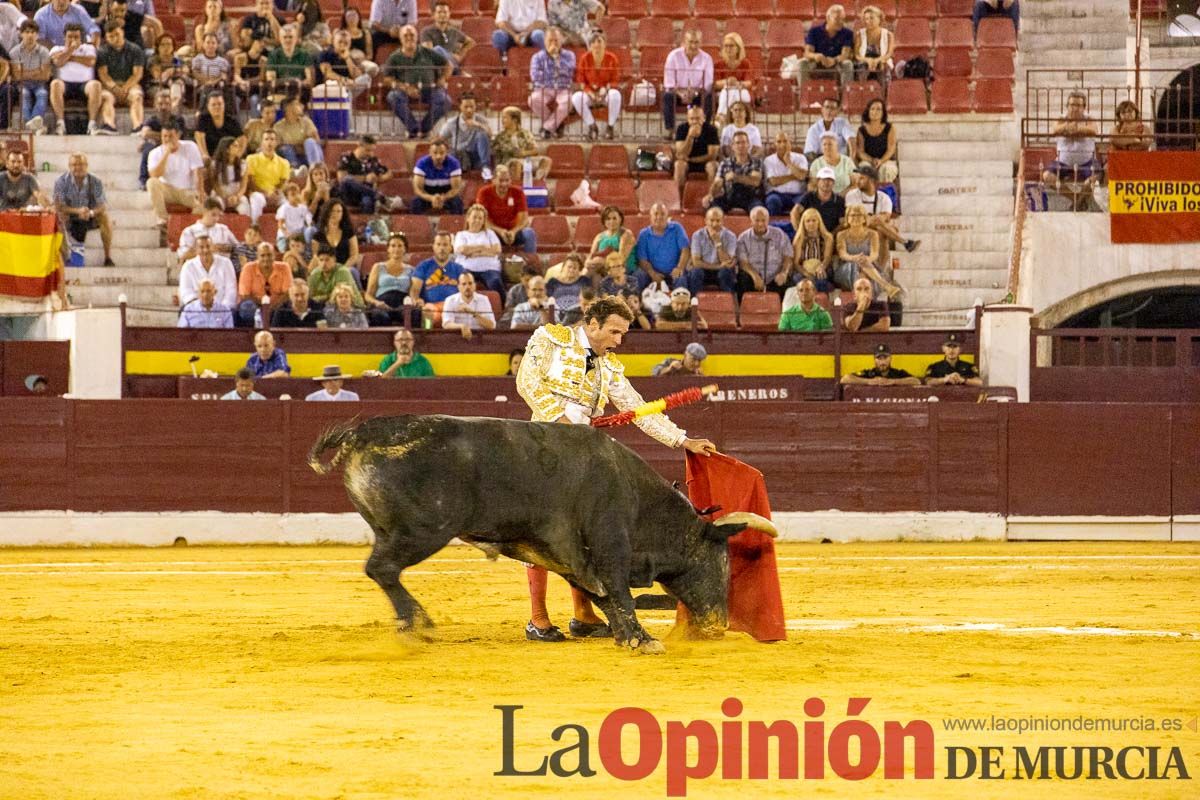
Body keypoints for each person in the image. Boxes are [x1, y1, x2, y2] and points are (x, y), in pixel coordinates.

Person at [515, 297, 717, 641]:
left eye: (623, 333)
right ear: (592, 324)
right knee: (542, 532)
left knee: (584, 535)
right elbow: (527, 381)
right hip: (544, 448)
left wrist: (682, 440)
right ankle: (539, 618)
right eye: (614, 332)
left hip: (584, 456)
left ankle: (583, 613)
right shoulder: (550, 339)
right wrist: (560, 420)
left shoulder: (609, 367)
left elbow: (639, 409)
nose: (619, 341)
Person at [384, 24, 451, 138]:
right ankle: (413, 128)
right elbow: (387, 79)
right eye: (406, 35)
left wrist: (443, 78)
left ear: (417, 37)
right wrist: (405, 88)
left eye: (412, 35)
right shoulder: (394, 57)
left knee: (445, 100)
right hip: (405, 91)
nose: (409, 38)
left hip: (429, 89)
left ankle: (423, 129)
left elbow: (448, 65)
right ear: (400, 38)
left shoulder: (427, 52)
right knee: (392, 97)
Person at [53, 152, 113, 266]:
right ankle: (66, 258)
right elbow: (59, 205)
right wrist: (78, 211)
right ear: (69, 166)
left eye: (81, 164)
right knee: (58, 217)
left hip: (89, 215)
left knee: (105, 217)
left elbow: (102, 205)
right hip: (69, 216)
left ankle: (108, 257)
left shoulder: (95, 181)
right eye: (74, 165)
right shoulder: (61, 181)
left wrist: (90, 212)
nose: (78, 167)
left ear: (87, 165)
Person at [1042, 91, 1099, 211]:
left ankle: (1077, 204)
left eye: (1078, 105)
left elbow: (1093, 130)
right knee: (1047, 176)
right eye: (1072, 105)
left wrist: (1075, 129)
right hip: (1063, 162)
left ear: (1084, 107)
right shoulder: (1061, 119)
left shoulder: (1089, 119)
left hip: (1087, 162)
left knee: (1095, 177)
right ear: (1067, 106)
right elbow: (1054, 130)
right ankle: (1076, 199)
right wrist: (1070, 127)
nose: (1075, 108)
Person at [845, 164, 919, 255]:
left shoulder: (884, 197)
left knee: (880, 231)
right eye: (857, 178)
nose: (857, 181)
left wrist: (870, 218)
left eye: (861, 178)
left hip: (876, 228)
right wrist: (870, 218)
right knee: (881, 227)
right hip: (856, 228)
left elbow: (885, 217)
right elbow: (853, 215)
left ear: (871, 180)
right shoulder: (851, 195)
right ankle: (904, 242)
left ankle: (881, 267)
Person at [146, 119, 205, 232]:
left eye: (171, 136)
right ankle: (163, 220)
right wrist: (167, 153)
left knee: (203, 205)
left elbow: (198, 171)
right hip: (168, 190)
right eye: (165, 136)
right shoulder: (155, 153)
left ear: (178, 135)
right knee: (151, 182)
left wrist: (200, 190)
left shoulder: (190, 146)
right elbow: (154, 175)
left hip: (187, 191)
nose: (167, 139)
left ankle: (189, 228)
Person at [48, 23, 107, 136]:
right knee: (55, 84)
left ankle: (92, 124)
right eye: (70, 36)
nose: (73, 39)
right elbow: (58, 62)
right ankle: (60, 124)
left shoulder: (89, 48)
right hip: (64, 84)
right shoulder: (57, 48)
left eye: (76, 37)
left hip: (85, 84)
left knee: (96, 85)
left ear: (81, 38)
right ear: (64, 37)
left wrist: (69, 57)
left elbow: (90, 62)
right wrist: (70, 50)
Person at [662, 28, 713, 137]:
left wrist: (694, 93)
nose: (694, 46)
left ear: (701, 43)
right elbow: (669, 82)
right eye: (691, 42)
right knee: (667, 96)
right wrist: (681, 93)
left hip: (697, 93)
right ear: (684, 42)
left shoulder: (707, 58)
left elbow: (707, 83)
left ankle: (704, 130)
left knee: (709, 96)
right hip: (678, 93)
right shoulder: (673, 56)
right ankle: (670, 129)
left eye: (696, 42)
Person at [735, 206, 794, 300]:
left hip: (775, 275)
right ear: (751, 221)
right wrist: (755, 276)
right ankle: (745, 311)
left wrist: (783, 273)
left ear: (768, 220)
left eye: (764, 220)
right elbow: (743, 263)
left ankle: (786, 313)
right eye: (757, 220)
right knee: (743, 279)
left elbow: (788, 257)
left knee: (789, 283)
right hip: (753, 276)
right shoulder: (743, 238)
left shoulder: (779, 234)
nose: (760, 224)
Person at [570, 29, 619, 140]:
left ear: (604, 44)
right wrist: (590, 92)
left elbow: (615, 80)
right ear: (590, 46)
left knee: (615, 94)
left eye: (599, 42)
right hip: (590, 93)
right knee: (576, 97)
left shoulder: (612, 59)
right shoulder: (584, 59)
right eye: (593, 43)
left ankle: (610, 127)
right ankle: (592, 126)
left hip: (605, 93)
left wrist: (605, 89)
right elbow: (581, 80)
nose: (596, 45)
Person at [476, 164, 537, 254]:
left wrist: (513, 231)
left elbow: (524, 219)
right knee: (482, 235)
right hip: (493, 231)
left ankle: (531, 263)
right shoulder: (484, 193)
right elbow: (482, 218)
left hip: (514, 231)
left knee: (529, 233)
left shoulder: (518, 192)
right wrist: (500, 231)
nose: (504, 184)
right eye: (501, 180)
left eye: (507, 180)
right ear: (494, 180)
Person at [528, 26, 575, 139]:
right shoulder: (537, 57)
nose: (553, 43)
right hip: (543, 88)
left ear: (561, 41)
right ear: (545, 41)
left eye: (556, 40)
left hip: (563, 88)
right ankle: (557, 124)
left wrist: (556, 62)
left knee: (568, 102)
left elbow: (569, 72)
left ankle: (547, 128)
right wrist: (550, 60)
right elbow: (535, 76)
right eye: (550, 40)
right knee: (533, 100)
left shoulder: (569, 55)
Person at [704, 130, 764, 215]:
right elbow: (717, 183)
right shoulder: (725, 163)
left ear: (748, 145)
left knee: (759, 211)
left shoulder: (756, 162)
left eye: (743, 142)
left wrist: (735, 177)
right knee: (712, 210)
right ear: (732, 146)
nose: (741, 146)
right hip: (729, 197)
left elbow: (755, 181)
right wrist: (710, 195)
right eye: (737, 143)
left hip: (751, 197)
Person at [635, 203, 690, 296]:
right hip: (652, 272)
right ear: (650, 216)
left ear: (667, 216)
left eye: (662, 214)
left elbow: (685, 250)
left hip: (674, 271)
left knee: (681, 277)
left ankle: (681, 308)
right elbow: (642, 260)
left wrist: (679, 268)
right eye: (656, 214)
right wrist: (652, 274)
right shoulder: (643, 234)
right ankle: (637, 306)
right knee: (639, 275)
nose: (659, 217)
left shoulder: (676, 228)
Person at [672, 103, 720, 205]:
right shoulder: (682, 129)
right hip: (687, 163)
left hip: (704, 161)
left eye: (697, 118)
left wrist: (692, 160)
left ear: (703, 118)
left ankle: (711, 198)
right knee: (679, 165)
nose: (694, 121)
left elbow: (713, 155)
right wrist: (690, 137)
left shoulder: (711, 130)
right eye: (691, 119)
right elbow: (681, 153)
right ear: (687, 119)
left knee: (713, 165)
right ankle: (679, 199)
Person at [433, 93, 492, 172]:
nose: (469, 110)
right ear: (460, 107)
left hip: (475, 156)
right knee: (454, 155)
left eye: (471, 107)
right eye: (466, 107)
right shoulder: (452, 122)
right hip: (459, 155)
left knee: (482, 134)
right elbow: (439, 140)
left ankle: (486, 168)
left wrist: (478, 125)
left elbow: (490, 135)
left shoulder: (481, 120)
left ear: (475, 107)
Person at [335, 134, 393, 214]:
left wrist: (378, 178)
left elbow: (389, 173)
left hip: (365, 194)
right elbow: (341, 179)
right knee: (347, 179)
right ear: (359, 146)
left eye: (372, 150)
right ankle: (378, 196)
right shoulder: (346, 157)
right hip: (348, 194)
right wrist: (365, 178)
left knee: (367, 201)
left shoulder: (372, 160)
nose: (370, 153)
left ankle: (367, 224)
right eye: (367, 150)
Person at [686, 205, 737, 295]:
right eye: (711, 220)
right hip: (704, 270)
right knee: (696, 272)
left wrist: (718, 243)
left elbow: (727, 262)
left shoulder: (731, 236)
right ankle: (694, 303)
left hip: (721, 272)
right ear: (705, 221)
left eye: (718, 221)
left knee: (725, 272)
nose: (714, 224)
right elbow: (696, 262)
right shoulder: (697, 235)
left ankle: (729, 304)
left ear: (723, 221)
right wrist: (718, 266)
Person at [237, 240, 292, 325]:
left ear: (275, 255)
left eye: (269, 255)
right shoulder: (248, 268)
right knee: (247, 306)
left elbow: (287, 293)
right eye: (262, 255)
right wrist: (264, 307)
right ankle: (251, 333)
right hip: (256, 305)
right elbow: (245, 295)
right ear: (257, 256)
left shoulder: (284, 267)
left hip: (277, 305)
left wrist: (272, 307)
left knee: (288, 305)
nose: (266, 258)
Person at [365, 232, 415, 323]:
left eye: (400, 246)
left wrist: (413, 302)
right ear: (388, 249)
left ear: (405, 249)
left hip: (402, 304)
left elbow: (412, 294)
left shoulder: (411, 270)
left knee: (414, 314)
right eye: (393, 246)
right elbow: (368, 295)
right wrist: (377, 303)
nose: (396, 249)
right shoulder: (378, 267)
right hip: (382, 303)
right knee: (379, 315)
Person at [799, 3, 853, 88]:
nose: (841, 22)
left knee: (848, 64)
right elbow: (807, 53)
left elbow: (845, 54)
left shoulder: (848, 33)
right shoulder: (814, 31)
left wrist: (834, 60)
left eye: (843, 19)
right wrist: (816, 56)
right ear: (828, 18)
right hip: (817, 61)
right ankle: (804, 94)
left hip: (836, 61)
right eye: (837, 19)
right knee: (802, 63)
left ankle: (846, 95)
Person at [453, 203, 504, 294]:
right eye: (474, 217)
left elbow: (497, 250)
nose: (477, 220)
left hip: (489, 268)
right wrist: (483, 247)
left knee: (495, 282)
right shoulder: (461, 235)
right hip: (467, 268)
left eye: (480, 218)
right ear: (468, 218)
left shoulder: (489, 233)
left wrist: (474, 253)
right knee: (464, 283)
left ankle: (503, 306)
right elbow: (462, 250)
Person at [492, 105, 551, 183]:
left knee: (546, 160)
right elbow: (496, 153)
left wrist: (524, 153)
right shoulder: (500, 136)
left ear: (515, 120)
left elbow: (535, 151)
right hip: (508, 162)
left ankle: (538, 182)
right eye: (502, 118)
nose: (502, 120)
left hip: (525, 160)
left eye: (505, 118)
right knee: (516, 163)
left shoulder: (525, 134)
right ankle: (516, 186)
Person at [13, 21, 51, 136]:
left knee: (42, 93)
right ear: (21, 34)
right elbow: (17, 76)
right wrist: (37, 71)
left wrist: (25, 72)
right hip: (22, 84)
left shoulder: (44, 52)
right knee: (24, 94)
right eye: (27, 32)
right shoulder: (15, 52)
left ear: (37, 35)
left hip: (40, 84)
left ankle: (32, 123)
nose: (30, 35)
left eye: (33, 32)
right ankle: (33, 124)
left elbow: (45, 75)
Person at [179, 234, 238, 309]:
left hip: (223, 309)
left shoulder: (226, 263)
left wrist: (221, 308)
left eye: (208, 246)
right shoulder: (188, 266)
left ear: (213, 247)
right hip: (196, 309)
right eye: (201, 247)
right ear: (196, 250)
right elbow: (186, 292)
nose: (205, 250)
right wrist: (201, 308)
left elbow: (231, 290)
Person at [245, 129, 292, 223]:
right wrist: (265, 193)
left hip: (275, 193)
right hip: (258, 192)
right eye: (266, 139)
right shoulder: (251, 159)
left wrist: (276, 192)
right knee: (257, 199)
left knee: (287, 205)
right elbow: (250, 182)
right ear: (261, 142)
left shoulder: (284, 162)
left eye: (272, 139)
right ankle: (255, 227)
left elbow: (284, 182)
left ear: (276, 142)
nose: (269, 142)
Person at [409, 231, 464, 308]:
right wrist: (416, 300)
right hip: (430, 309)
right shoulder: (423, 266)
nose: (442, 248)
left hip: (453, 310)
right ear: (433, 247)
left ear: (450, 248)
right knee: (427, 317)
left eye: (445, 245)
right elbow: (415, 289)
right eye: (438, 244)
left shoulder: (459, 269)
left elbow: (466, 289)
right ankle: (428, 320)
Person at [411, 137, 465, 215]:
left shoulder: (454, 163)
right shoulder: (421, 163)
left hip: (446, 194)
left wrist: (443, 198)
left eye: (442, 153)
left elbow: (455, 189)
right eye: (435, 153)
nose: (438, 156)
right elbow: (418, 189)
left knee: (457, 203)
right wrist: (431, 198)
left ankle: (457, 226)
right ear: (430, 152)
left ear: (446, 152)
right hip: (427, 193)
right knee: (416, 203)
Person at [420, 0, 474, 75]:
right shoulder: (426, 31)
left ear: (449, 14)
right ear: (433, 15)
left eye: (445, 12)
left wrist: (460, 55)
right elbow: (429, 54)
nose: (442, 15)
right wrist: (446, 55)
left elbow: (471, 42)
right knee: (437, 50)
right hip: (436, 67)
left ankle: (456, 71)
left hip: (452, 63)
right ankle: (458, 72)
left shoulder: (454, 31)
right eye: (439, 12)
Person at [763, 131, 809, 218]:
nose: (782, 144)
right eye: (779, 142)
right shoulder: (768, 160)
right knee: (772, 201)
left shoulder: (800, 158)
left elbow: (802, 176)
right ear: (774, 144)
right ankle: (775, 227)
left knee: (805, 202)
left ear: (790, 143)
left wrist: (789, 162)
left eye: (785, 141)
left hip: (798, 195)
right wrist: (795, 176)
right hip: (776, 194)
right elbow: (774, 181)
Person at [318, 28, 373, 99]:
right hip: (332, 84)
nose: (342, 45)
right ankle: (346, 95)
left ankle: (346, 95)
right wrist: (344, 80)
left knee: (367, 78)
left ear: (350, 44)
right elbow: (327, 73)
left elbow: (357, 76)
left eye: (346, 43)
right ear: (333, 42)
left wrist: (347, 58)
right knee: (345, 91)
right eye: (340, 42)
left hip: (347, 86)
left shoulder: (352, 56)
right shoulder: (325, 53)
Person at [310, 199, 361, 274]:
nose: (335, 214)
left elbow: (354, 255)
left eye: (339, 211)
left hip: (345, 267)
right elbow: (316, 257)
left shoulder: (349, 232)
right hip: (325, 268)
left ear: (343, 214)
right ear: (327, 212)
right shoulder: (318, 235)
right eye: (333, 211)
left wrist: (343, 269)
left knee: (353, 272)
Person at [790, 207, 835, 293]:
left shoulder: (827, 237)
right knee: (800, 280)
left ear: (819, 222)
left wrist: (821, 267)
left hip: (821, 267)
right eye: (808, 221)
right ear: (803, 223)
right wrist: (806, 274)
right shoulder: (798, 239)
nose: (811, 223)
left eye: (814, 220)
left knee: (821, 279)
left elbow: (827, 258)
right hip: (803, 269)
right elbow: (796, 263)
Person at [264, 23, 313, 102]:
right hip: (280, 92)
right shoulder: (273, 55)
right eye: (285, 37)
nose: (288, 40)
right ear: (280, 39)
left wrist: (294, 83)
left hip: (299, 93)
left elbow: (309, 80)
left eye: (290, 37)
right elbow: (271, 81)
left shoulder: (304, 54)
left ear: (296, 38)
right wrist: (292, 81)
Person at [585, 204, 636, 280]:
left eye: (614, 218)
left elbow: (621, 259)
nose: (611, 221)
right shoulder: (599, 237)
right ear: (604, 221)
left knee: (592, 272)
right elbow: (590, 256)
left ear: (620, 219)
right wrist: (588, 262)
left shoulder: (626, 234)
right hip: (602, 268)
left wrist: (601, 261)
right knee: (592, 274)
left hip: (622, 268)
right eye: (608, 219)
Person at [442, 272, 496, 339]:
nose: (467, 287)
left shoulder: (484, 300)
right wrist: (462, 326)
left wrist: (472, 312)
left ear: (475, 285)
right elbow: (446, 324)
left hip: (479, 339)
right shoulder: (450, 300)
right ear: (458, 287)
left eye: (470, 283)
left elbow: (491, 326)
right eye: (464, 284)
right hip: (458, 338)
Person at [855, 98, 898, 184]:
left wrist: (881, 161)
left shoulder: (889, 128)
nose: (875, 112)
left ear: (883, 113)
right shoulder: (861, 130)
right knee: (865, 169)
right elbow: (860, 151)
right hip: (868, 160)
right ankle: (868, 196)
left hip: (886, 161)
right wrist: (871, 160)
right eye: (872, 109)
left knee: (886, 170)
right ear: (868, 111)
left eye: (878, 109)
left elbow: (891, 148)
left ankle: (883, 195)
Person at [273, 96, 323, 170]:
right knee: (286, 148)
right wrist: (298, 144)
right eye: (297, 104)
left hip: (308, 156)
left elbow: (316, 140)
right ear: (289, 108)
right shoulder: (278, 126)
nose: (302, 106)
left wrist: (298, 144)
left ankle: (316, 169)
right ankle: (295, 171)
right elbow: (277, 145)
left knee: (309, 142)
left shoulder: (306, 122)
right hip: (291, 157)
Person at [713, 32, 752, 125]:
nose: (728, 49)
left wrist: (737, 84)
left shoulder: (745, 63)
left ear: (738, 48)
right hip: (723, 93)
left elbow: (749, 83)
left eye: (731, 46)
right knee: (729, 90)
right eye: (726, 46)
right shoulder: (719, 64)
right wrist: (727, 82)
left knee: (731, 90)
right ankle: (736, 120)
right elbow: (715, 84)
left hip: (743, 92)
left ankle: (721, 116)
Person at [803, 95, 856, 162]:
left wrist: (851, 160)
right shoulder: (813, 129)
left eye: (833, 108)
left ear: (837, 111)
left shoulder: (842, 123)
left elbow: (851, 139)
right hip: (821, 160)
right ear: (822, 109)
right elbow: (809, 154)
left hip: (841, 159)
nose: (829, 111)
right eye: (827, 107)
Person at [194, 92, 242, 162]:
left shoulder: (231, 120)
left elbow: (242, 139)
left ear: (224, 105)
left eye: (219, 104)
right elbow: (199, 136)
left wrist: (237, 156)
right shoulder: (203, 119)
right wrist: (205, 156)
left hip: (228, 159)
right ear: (208, 106)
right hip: (208, 158)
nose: (217, 107)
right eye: (213, 105)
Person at [798, 165, 846, 234]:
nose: (826, 182)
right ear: (818, 181)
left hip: (830, 235)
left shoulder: (839, 200)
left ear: (833, 183)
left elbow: (842, 223)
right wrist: (800, 232)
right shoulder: (809, 196)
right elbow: (794, 213)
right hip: (808, 234)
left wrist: (830, 236)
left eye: (830, 180)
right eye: (823, 179)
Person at [840, 343, 918, 385]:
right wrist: (868, 381)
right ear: (874, 359)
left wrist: (893, 381)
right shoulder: (869, 373)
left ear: (890, 358)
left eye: (885, 358)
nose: (882, 362)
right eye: (879, 358)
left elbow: (916, 381)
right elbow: (845, 379)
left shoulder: (898, 373)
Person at [853, 5, 893, 84]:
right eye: (866, 19)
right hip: (864, 61)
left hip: (882, 61)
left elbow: (889, 54)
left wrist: (877, 60)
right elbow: (857, 55)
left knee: (882, 66)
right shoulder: (859, 34)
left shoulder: (888, 34)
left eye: (872, 18)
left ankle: (885, 93)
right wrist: (868, 60)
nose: (868, 21)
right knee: (862, 69)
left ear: (879, 19)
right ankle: (861, 92)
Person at [34, 0, 98, 49]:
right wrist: (59, 51)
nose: (61, 2)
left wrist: (92, 48)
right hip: (54, 54)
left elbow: (94, 30)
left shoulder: (79, 10)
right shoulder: (41, 15)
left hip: (79, 52)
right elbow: (39, 39)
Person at [544, 253, 587, 322]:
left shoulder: (584, 280)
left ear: (579, 270)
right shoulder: (553, 281)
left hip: (577, 315)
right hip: (557, 313)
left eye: (575, 268)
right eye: (569, 267)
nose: (571, 270)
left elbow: (588, 298)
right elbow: (547, 298)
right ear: (563, 267)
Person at [809, 130, 855, 195]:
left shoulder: (847, 161)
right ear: (821, 147)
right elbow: (812, 185)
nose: (827, 147)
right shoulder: (816, 164)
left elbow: (855, 184)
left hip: (846, 196)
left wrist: (843, 194)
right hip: (824, 198)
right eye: (824, 144)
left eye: (830, 144)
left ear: (837, 146)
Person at [274, 182, 312, 251]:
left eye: (297, 193)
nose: (296, 196)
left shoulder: (303, 207)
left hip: (299, 237)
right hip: (286, 237)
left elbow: (309, 221)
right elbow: (280, 224)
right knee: (286, 249)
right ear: (287, 197)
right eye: (293, 195)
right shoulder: (284, 208)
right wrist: (287, 234)